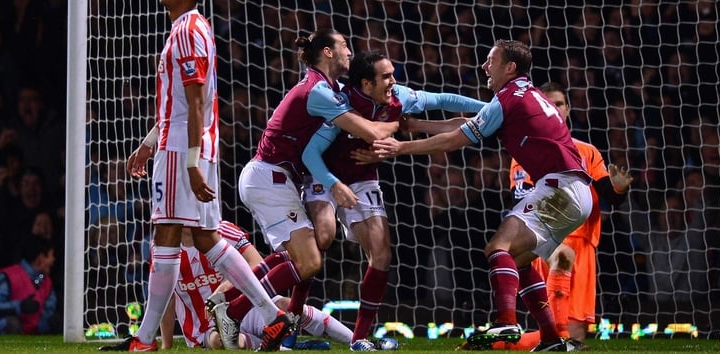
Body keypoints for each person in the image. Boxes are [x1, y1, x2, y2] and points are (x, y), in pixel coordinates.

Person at [100, 0, 290, 352]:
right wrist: (150, 141)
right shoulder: (190, 29)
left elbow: (195, 100)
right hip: (189, 145)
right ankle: (273, 317)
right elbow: (182, 106)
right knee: (206, 237)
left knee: (166, 234)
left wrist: (188, 162)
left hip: (183, 151)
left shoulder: (187, 30)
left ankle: (144, 340)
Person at [372, 39, 592, 352]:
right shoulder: (525, 93)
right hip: (573, 191)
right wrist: (419, 124)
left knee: (497, 246)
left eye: (491, 60)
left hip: (559, 187)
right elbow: (466, 124)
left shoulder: (509, 98)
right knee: (519, 260)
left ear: (510, 67)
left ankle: (506, 321)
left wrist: (400, 148)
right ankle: (552, 339)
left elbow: (454, 141)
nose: (485, 66)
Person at [212, 29, 398, 349]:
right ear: (327, 52)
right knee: (309, 261)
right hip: (270, 179)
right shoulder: (317, 92)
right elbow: (369, 128)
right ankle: (234, 309)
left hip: (276, 179)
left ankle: (234, 303)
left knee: (299, 256)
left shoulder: (327, 87)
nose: (350, 53)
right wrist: (399, 120)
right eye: (343, 46)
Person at [301, 51, 485, 350]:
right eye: (386, 77)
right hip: (324, 176)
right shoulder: (341, 105)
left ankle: (359, 339)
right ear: (366, 83)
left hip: (363, 180)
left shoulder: (400, 97)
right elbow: (310, 153)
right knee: (321, 238)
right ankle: (291, 320)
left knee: (382, 255)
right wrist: (333, 185)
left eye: (392, 74)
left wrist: (493, 108)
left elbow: (444, 100)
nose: (393, 82)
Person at [492, 81, 632, 350]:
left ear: (567, 109)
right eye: (549, 104)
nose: (554, 108)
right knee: (555, 327)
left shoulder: (588, 151)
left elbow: (610, 197)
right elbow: (520, 198)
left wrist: (619, 188)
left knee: (577, 334)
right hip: (549, 240)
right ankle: (504, 343)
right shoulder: (525, 150)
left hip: (585, 244)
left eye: (559, 103)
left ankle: (500, 344)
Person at [160, 222, 352, 350]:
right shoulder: (163, 250)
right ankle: (285, 348)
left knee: (286, 306)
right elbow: (165, 300)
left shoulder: (222, 230)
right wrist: (166, 346)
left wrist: (226, 288)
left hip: (242, 305)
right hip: (203, 328)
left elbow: (257, 264)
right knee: (223, 341)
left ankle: (356, 341)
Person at [0, 235, 58, 334]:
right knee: (12, 323)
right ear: (40, 258)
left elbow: (47, 313)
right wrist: (19, 307)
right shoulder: (9, 276)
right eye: (51, 255)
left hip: (28, 334)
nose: (53, 260)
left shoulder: (45, 281)